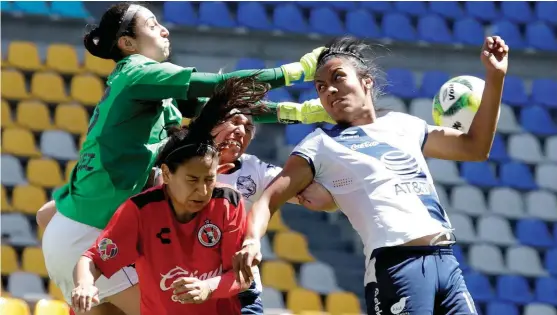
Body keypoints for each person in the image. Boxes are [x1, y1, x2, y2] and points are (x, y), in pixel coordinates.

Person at [40, 2, 332, 314]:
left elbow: (220, 108)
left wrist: (296, 112)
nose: (165, 30)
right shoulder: (139, 72)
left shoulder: (148, 89)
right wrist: (294, 72)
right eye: (152, 25)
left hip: (77, 232)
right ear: (127, 43)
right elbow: (221, 86)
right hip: (90, 237)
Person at [233, 35, 509, 315]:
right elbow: (268, 200)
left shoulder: (404, 125)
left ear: (367, 81)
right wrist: (252, 240)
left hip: (446, 261)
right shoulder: (319, 145)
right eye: (320, 87)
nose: (329, 90)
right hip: (396, 268)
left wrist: (495, 76)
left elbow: (475, 147)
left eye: (338, 78)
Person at [71, 75, 269, 315]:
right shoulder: (141, 210)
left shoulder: (228, 202)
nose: (203, 190)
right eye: (192, 180)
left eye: (209, 179)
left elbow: (241, 277)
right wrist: (84, 284)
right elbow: (92, 260)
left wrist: (207, 287)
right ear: (166, 173)